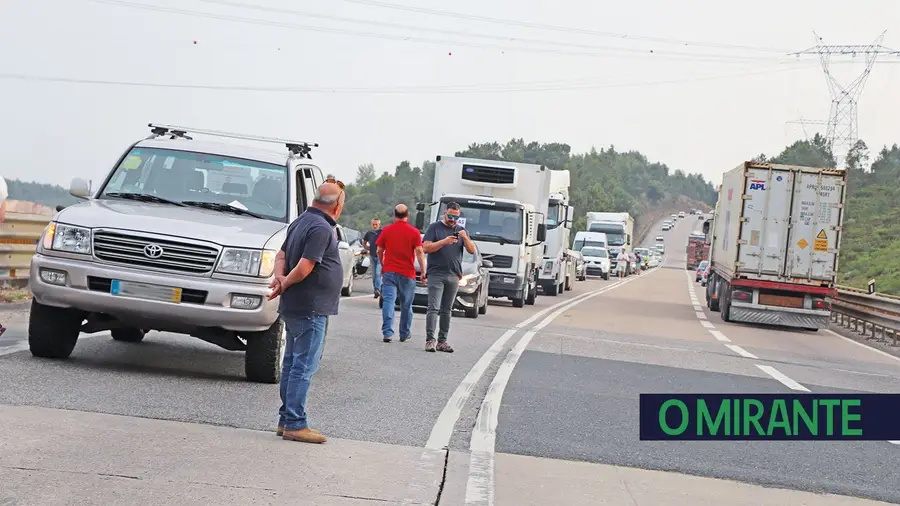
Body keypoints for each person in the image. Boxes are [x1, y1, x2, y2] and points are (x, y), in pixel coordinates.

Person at [267, 179, 346, 444]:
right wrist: (285, 282)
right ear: (336, 205)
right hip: (311, 307)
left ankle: (285, 419)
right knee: (303, 366)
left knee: (291, 363)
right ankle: (295, 423)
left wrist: (279, 279)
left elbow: (281, 256)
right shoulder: (321, 228)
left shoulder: (300, 221)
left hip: (296, 305)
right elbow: (304, 266)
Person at [422, 202, 475, 353]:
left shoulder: (461, 230)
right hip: (436, 273)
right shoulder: (434, 228)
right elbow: (426, 247)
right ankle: (430, 340)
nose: (453, 220)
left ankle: (442, 341)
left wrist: (465, 238)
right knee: (434, 307)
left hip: (454, 274)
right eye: (450, 216)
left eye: (456, 217)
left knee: (447, 309)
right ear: (445, 213)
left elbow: (471, 251)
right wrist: (444, 242)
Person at [375, 204, 426, 343]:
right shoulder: (414, 232)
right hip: (407, 273)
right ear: (408, 215)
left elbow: (379, 250)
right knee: (406, 304)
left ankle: (387, 332)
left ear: (394, 215)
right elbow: (420, 252)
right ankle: (404, 333)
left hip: (389, 271)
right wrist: (423, 271)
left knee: (389, 301)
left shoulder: (387, 230)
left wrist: (383, 264)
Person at [361, 217, 382, 298]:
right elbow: (364, 242)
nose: (374, 226)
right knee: (373, 275)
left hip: (380, 256)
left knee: (378, 273)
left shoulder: (382, 232)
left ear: (379, 225)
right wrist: (367, 248)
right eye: (373, 224)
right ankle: (375, 290)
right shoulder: (369, 233)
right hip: (372, 255)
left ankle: (377, 289)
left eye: (376, 224)